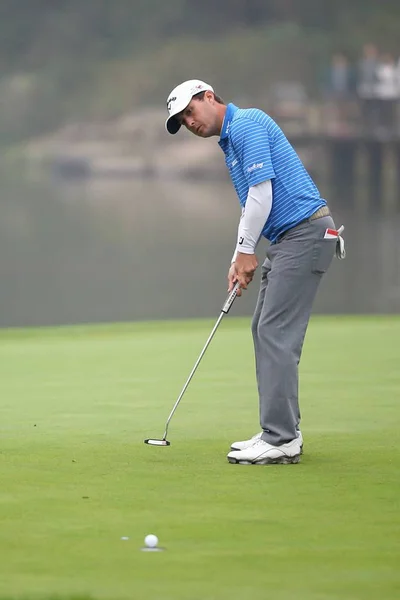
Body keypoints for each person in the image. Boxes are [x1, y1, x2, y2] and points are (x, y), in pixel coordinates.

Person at [165, 80, 344, 465]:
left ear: (209, 97)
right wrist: (238, 258)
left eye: (190, 112)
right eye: (182, 120)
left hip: (304, 234)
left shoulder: (246, 124)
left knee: (275, 332)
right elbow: (253, 207)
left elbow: (263, 194)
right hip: (288, 239)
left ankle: (281, 438)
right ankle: (280, 431)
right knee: (263, 328)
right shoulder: (230, 140)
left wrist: (247, 253)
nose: (189, 123)